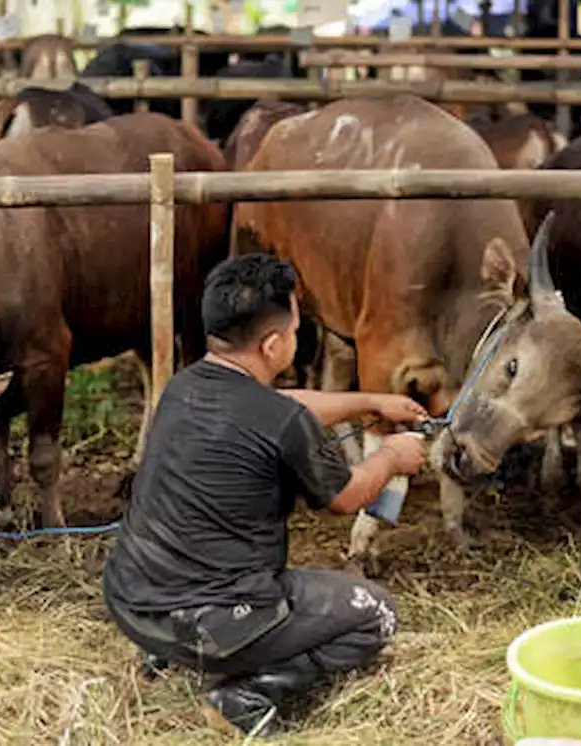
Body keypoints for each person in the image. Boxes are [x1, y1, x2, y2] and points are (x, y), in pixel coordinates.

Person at [102, 254, 431, 738]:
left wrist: (368, 402)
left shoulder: (182, 387)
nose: (297, 340)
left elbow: (281, 406)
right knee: (377, 614)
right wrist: (393, 458)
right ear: (274, 344)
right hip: (215, 622)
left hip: (131, 603)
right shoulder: (281, 422)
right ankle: (249, 692)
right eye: (296, 331)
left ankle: (165, 653)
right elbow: (346, 497)